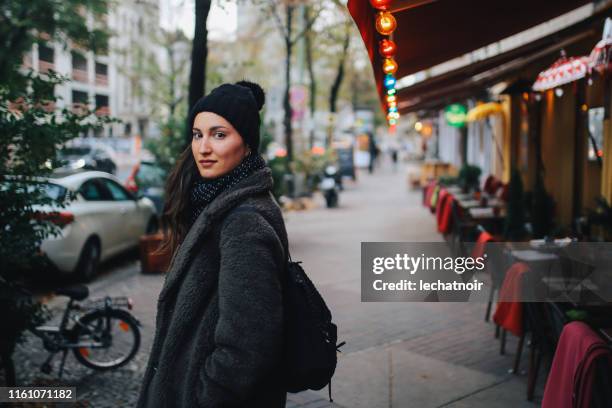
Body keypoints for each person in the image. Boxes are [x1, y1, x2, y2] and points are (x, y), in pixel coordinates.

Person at [137, 81, 289, 408]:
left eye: (219, 135)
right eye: (197, 134)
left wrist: (203, 398)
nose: (203, 147)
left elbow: (249, 345)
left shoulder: (242, 222)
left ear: (246, 144)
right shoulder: (215, 205)